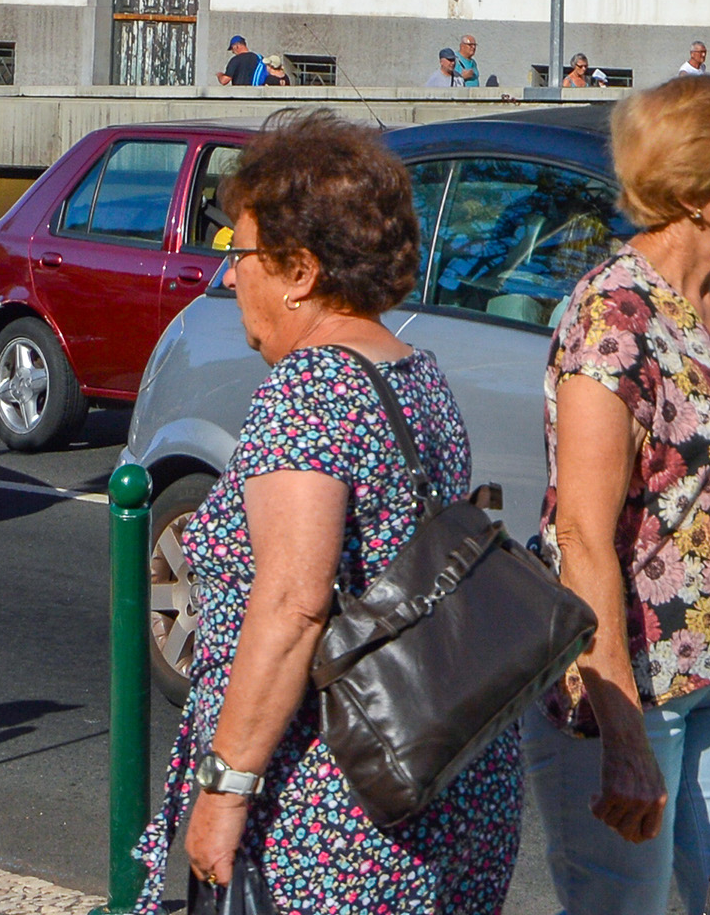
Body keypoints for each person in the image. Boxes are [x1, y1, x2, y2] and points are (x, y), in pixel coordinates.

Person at [162, 115, 522, 912]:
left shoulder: (311, 391)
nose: (227, 278)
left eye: (240, 253)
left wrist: (224, 789)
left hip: (334, 814)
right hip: (443, 784)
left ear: (299, 270)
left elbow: (291, 607)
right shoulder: (412, 372)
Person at [532, 73, 710, 913]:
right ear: (694, 177)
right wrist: (623, 727)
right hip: (631, 684)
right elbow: (581, 532)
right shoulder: (614, 315)